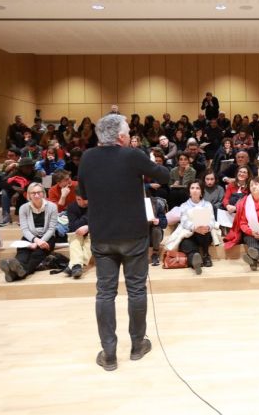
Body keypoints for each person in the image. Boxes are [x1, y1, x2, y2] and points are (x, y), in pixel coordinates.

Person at [77, 114, 173, 372]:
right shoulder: (132, 155)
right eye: (129, 132)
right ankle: (137, 346)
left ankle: (109, 354)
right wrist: (149, 161)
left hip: (103, 237)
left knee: (105, 293)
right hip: (133, 236)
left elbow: (82, 197)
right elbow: (164, 175)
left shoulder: (87, 158)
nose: (131, 135)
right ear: (120, 136)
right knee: (136, 290)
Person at [0, 182, 58, 282]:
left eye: (39, 192)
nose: (36, 195)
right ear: (28, 195)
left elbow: (51, 229)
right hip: (30, 236)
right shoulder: (23, 208)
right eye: (33, 193)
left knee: (37, 254)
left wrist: (40, 242)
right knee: (22, 253)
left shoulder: (52, 207)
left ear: (43, 193)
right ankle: (17, 270)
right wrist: (35, 241)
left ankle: (15, 274)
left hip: (47, 238)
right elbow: (25, 229)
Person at [175, 180, 217, 274]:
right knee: (186, 244)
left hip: (204, 234)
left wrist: (208, 227)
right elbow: (184, 221)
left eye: (197, 188)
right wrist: (194, 228)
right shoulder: (184, 205)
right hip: (190, 233)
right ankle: (195, 261)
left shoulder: (207, 204)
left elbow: (212, 220)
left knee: (204, 231)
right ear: (189, 191)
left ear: (201, 191)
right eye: (192, 188)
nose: (195, 190)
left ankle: (206, 256)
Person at [66, 195, 91, 279]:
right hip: (76, 233)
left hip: (93, 232)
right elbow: (73, 226)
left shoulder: (96, 205)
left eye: (85, 200)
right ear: (75, 198)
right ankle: (77, 266)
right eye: (79, 199)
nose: (82, 202)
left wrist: (88, 227)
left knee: (91, 239)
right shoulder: (71, 207)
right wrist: (87, 218)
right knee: (74, 238)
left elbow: (102, 224)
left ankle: (73, 265)